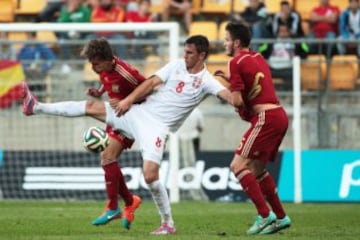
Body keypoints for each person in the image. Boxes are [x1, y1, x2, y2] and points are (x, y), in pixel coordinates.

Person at [23, 35, 233, 234]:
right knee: (89, 107)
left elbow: (232, 99)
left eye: (189, 53)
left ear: (202, 55)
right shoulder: (176, 65)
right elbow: (150, 83)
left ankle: (167, 224)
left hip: (157, 128)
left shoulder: (207, 81)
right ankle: (37, 106)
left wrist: (237, 86)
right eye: (185, 51)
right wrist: (127, 101)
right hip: (138, 113)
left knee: (150, 176)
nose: (185, 55)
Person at [22, 38, 144, 229]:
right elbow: (109, 81)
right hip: (119, 114)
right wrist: (100, 91)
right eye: (91, 63)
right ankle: (129, 202)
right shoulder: (105, 68)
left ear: (107, 59)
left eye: (95, 63)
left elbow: (147, 89)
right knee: (107, 158)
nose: (93, 67)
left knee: (88, 110)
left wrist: (126, 101)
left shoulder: (126, 73)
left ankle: (36, 107)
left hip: (134, 117)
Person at [214, 22, 291, 235]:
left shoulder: (236, 61)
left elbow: (238, 101)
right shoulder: (256, 57)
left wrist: (219, 91)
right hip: (279, 115)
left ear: (236, 43)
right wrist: (233, 80)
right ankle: (281, 218)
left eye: (227, 39)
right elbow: (254, 83)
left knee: (237, 166)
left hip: (266, 117)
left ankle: (265, 216)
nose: (224, 43)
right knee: (257, 170)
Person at [259, 24, 309, 90]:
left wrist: (298, 55)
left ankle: (288, 95)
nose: (282, 33)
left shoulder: (295, 41)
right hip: (272, 68)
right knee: (260, 74)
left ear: (288, 32)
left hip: (288, 68)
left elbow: (306, 50)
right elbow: (261, 50)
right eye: (281, 31)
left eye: (284, 31)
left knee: (294, 75)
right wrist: (266, 44)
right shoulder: (272, 41)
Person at [17, 32, 56, 99]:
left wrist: (43, 68)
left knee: (38, 78)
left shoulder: (42, 47)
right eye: (27, 37)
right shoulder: (24, 48)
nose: (27, 39)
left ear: (34, 37)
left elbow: (51, 59)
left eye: (28, 37)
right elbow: (18, 61)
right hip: (27, 72)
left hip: (39, 72)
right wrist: (26, 67)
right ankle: (28, 98)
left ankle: (39, 97)